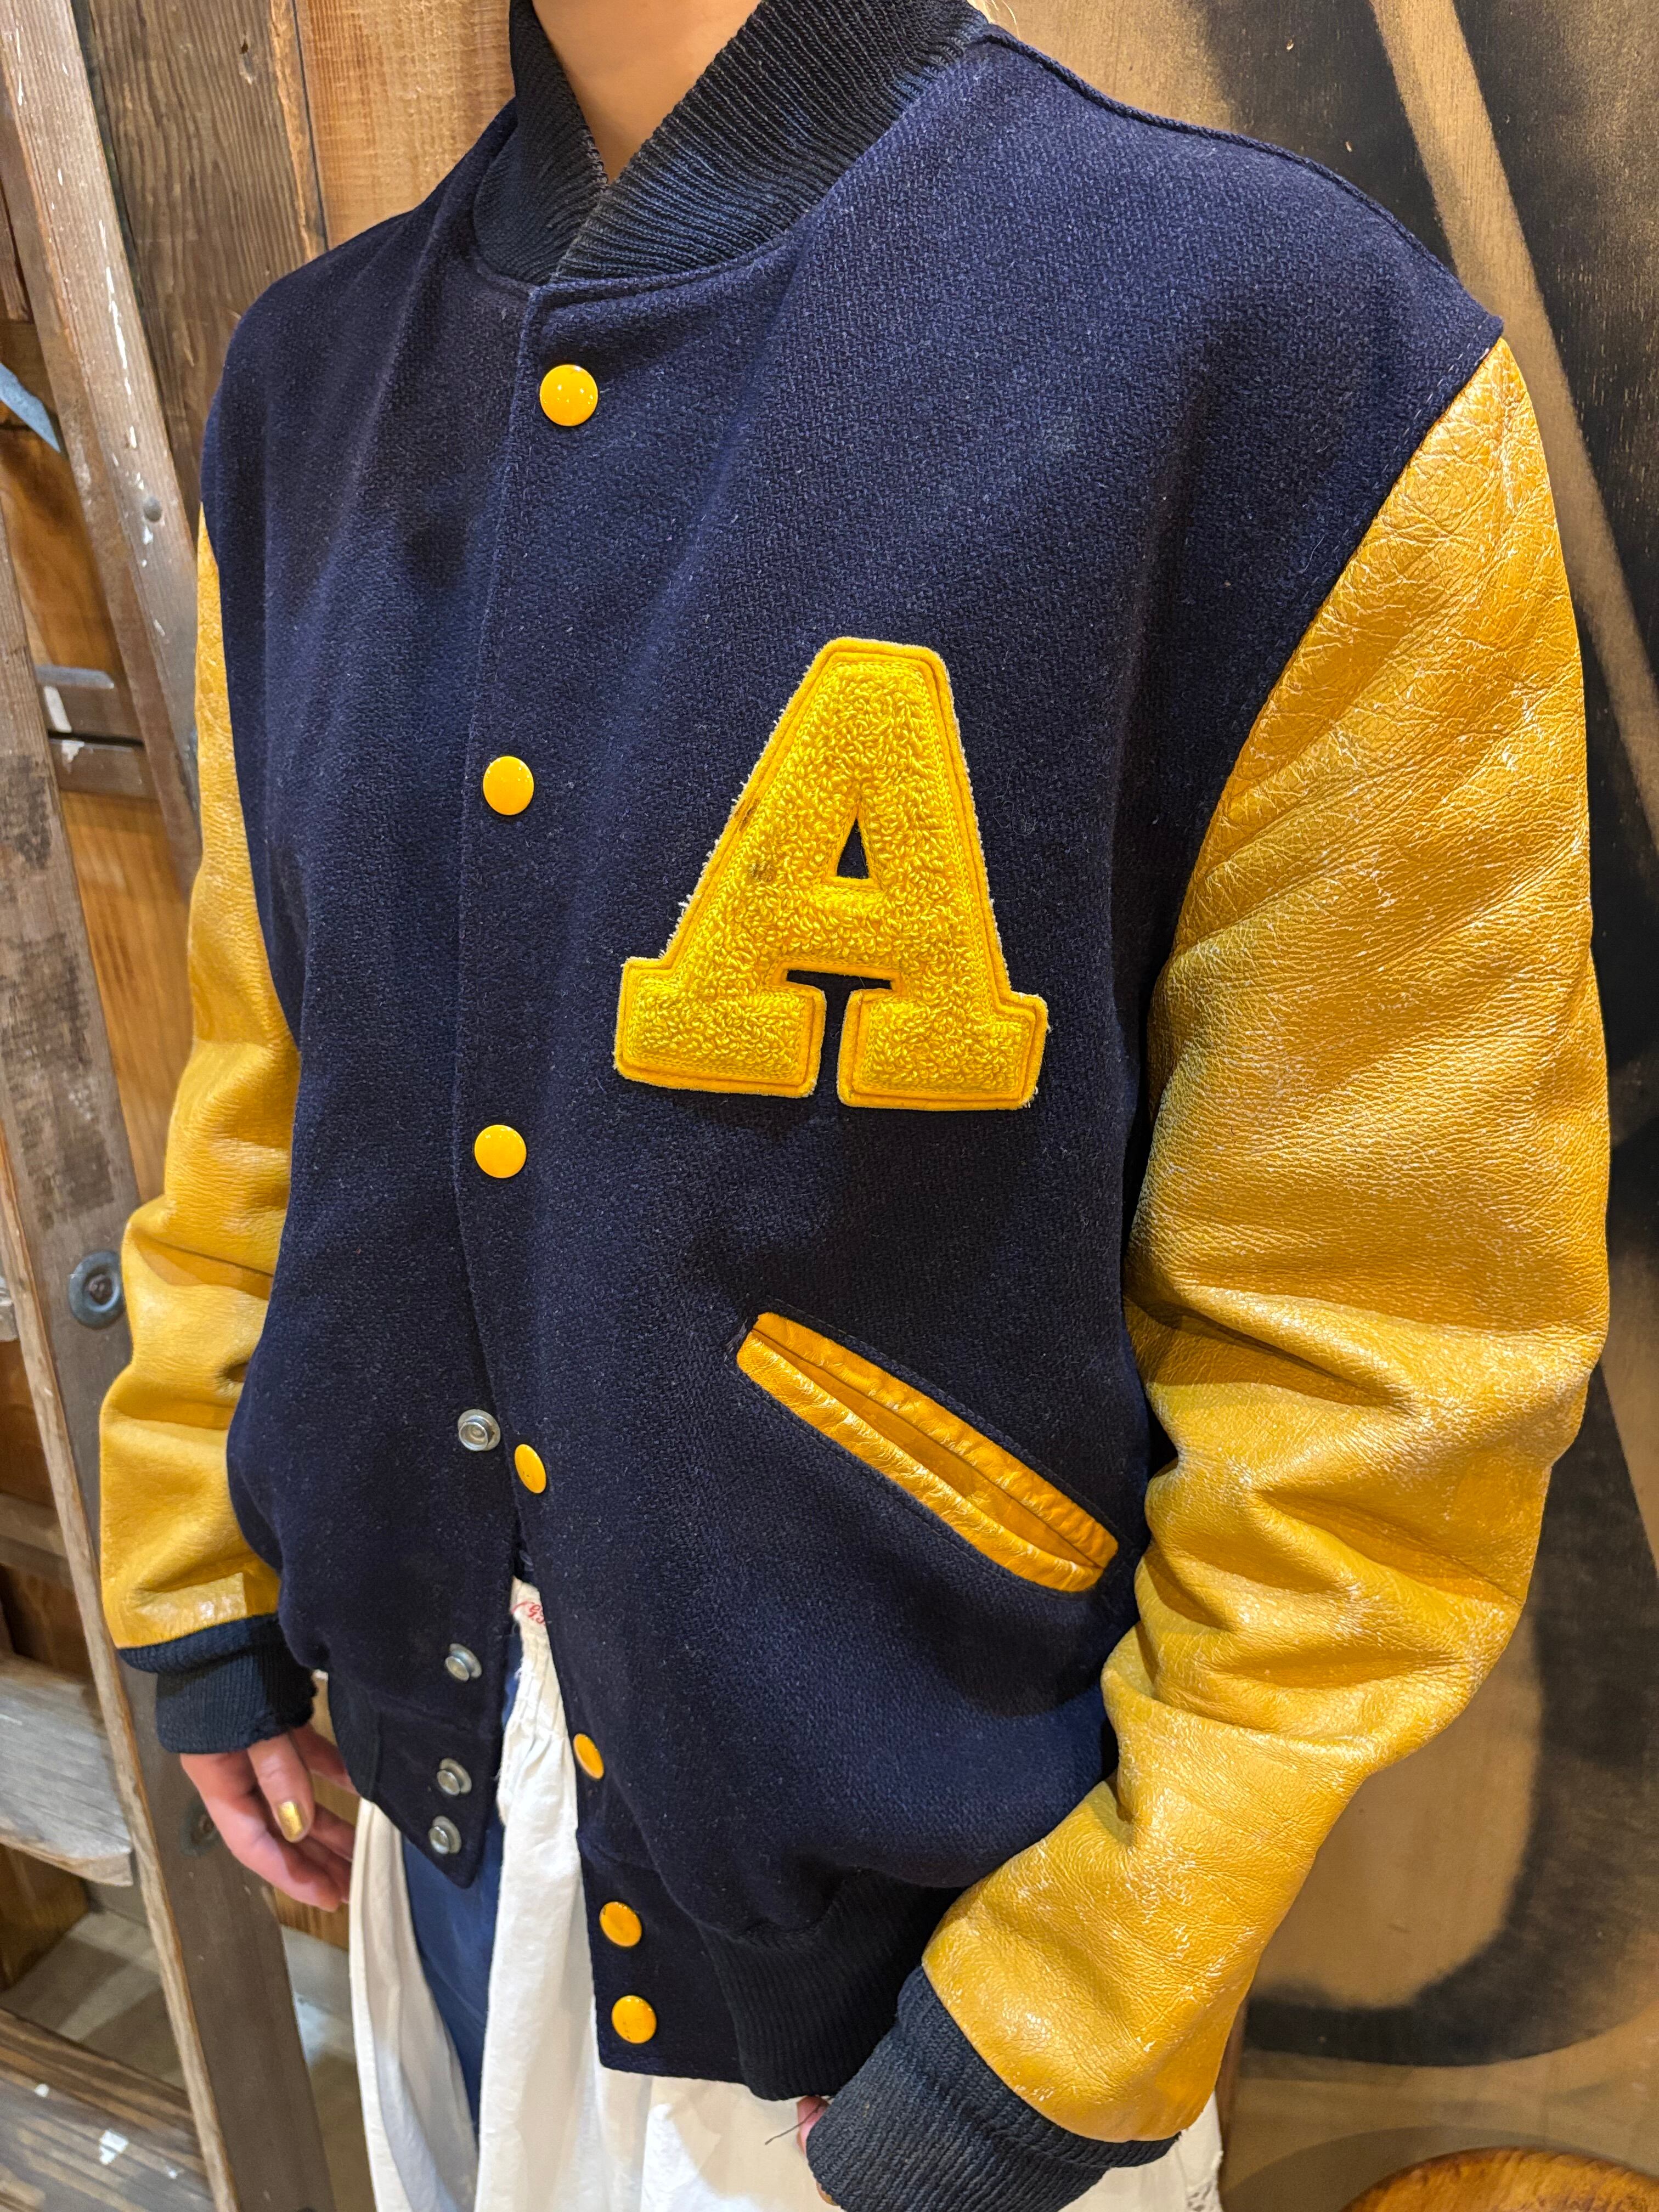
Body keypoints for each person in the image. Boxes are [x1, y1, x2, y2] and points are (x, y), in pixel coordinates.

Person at [98, 0, 1609, 2207]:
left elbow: (1392, 1341)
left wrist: (1075, 2009)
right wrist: (199, 1562)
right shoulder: (312, 382)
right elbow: (276, 1067)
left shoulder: (1280, 353)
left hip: (921, 1977)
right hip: (434, 1823)